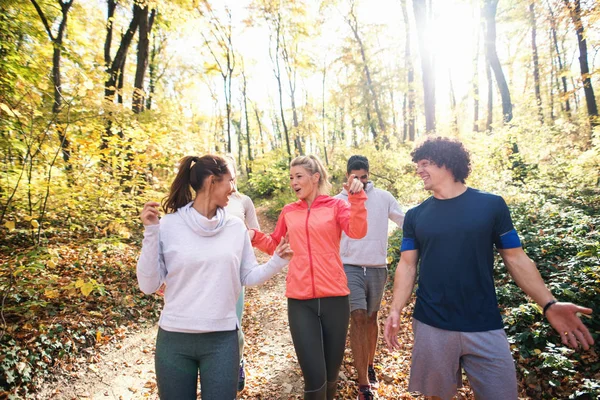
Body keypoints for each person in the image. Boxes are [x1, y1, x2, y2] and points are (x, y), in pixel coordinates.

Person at [383, 137, 594, 400]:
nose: (418, 170)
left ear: (447, 163)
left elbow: (515, 258)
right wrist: (395, 309)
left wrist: (548, 303)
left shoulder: (491, 205)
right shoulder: (415, 215)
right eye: (418, 165)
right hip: (431, 322)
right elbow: (407, 264)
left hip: (484, 323)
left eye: (425, 163)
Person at [137, 155, 293, 400]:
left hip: (222, 340)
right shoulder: (168, 225)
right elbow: (148, 284)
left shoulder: (235, 228)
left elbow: (248, 276)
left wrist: (278, 261)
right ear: (212, 181)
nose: (233, 188)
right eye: (229, 181)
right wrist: (151, 232)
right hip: (175, 341)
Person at [250, 154, 368, 400]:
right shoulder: (289, 211)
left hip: (335, 298)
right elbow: (275, 245)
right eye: (291, 177)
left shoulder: (336, 206)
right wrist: (253, 235)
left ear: (315, 178)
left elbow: (357, 231)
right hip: (300, 300)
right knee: (314, 378)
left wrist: (356, 199)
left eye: (298, 176)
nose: (293, 182)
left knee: (331, 375)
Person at [334, 155, 404, 400]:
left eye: (364, 177)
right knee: (358, 317)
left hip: (377, 267)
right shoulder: (337, 201)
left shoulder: (384, 197)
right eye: (356, 177)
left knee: (372, 318)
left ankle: (369, 364)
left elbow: (405, 221)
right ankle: (363, 382)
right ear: (347, 176)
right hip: (349, 266)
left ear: (368, 175)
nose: (361, 182)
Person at [223, 154, 260, 392]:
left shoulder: (243, 201)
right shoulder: (203, 199)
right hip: (207, 271)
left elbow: (255, 231)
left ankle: (237, 362)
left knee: (233, 324)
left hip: (235, 270)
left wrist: (240, 237)